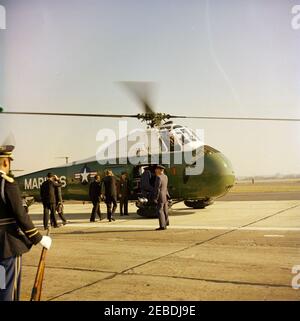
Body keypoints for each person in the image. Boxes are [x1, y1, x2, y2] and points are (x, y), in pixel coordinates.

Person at [0, 145, 52, 301]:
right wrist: (39, 238)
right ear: (5, 162)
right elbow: (20, 215)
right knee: (8, 290)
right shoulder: (7, 184)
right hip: (6, 246)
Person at [153, 165, 170, 230]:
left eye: (156, 169)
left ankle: (162, 226)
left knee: (160, 210)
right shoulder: (165, 177)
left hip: (160, 196)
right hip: (165, 196)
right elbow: (166, 187)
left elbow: (157, 189)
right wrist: (168, 195)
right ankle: (166, 223)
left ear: (160, 170)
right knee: (165, 210)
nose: (155, 171)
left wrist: (155, 198)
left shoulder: (158, 177)